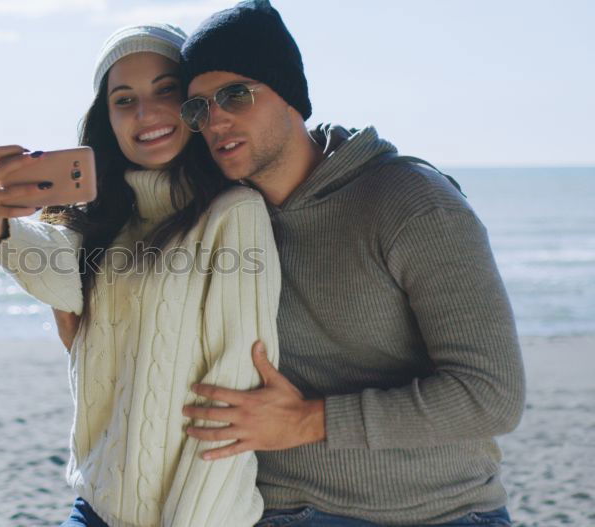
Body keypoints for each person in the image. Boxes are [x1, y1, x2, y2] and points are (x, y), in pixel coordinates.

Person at [149, 1, 521, 526]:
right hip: (285, 508)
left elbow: (492, 395)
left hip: (439, 510)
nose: (216, 120)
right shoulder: (222, 218)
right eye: (198, 109)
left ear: (291, 98)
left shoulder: (411, 202)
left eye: (235, 94)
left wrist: (307, 422)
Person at [0, 23, 282, 527]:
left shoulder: (234, 213)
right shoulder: (102, 219)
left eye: (166, 91)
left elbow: (231, 399)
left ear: (194, 105)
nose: (147, 114)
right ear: (106, 120)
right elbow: (55, 271)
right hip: (93, 508)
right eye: (124, 99)